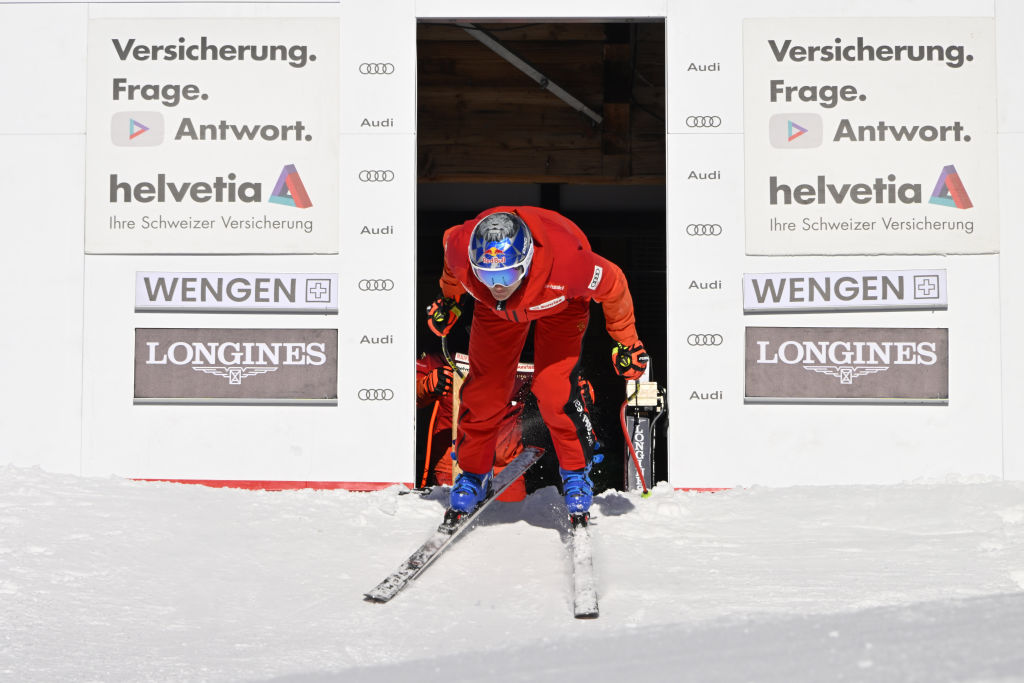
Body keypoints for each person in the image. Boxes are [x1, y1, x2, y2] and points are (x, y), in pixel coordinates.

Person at [426, 207, 648, 517]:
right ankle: (474, 474)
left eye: (505, 274)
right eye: (486, 274)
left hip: (562, 304)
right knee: (484, 394)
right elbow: (454, 269)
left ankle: (575, 474)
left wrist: (627, 342)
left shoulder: (572, 264)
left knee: (554, 394)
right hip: (496, 312)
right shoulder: (460, 248)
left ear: (527, 260)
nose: (496, 285)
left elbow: (614, 285)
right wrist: (450, 299)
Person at [415, 351, 529, 502]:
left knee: (513, 522)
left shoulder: (524, 348)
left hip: (506, 470)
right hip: (454, 466)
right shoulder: (445, 351)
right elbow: (401, 396)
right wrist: (427, 385)